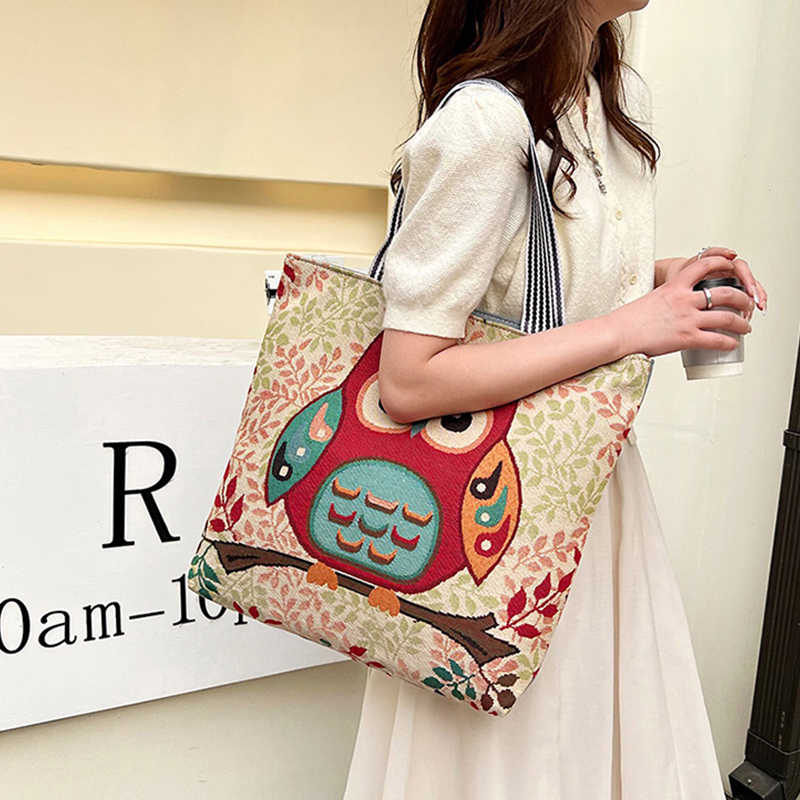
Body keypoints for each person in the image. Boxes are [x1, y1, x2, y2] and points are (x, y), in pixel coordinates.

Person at [342, 0, 768, 798]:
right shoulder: (485, 124)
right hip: (496, 511)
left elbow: (541, 297)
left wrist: (665, 282)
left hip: (587, 497)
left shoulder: (603, 100)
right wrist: (633, 326)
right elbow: (408, 379)